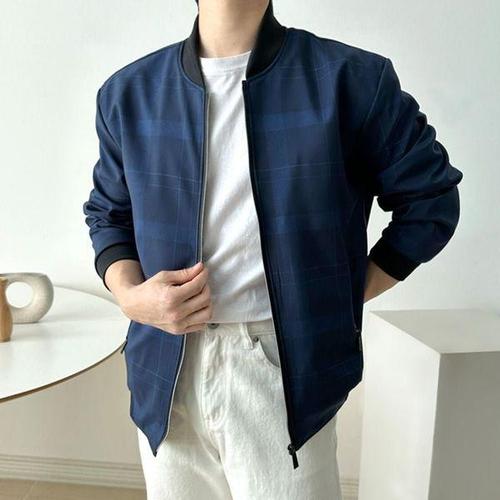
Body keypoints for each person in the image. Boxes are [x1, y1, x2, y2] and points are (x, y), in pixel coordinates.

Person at [82, 0, 463, 498]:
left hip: (283, 366)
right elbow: (108, 215)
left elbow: (431, 200)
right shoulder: (128, 93)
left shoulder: (351, 80)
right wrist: (131, 297)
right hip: (164, 368)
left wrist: (344, 294)